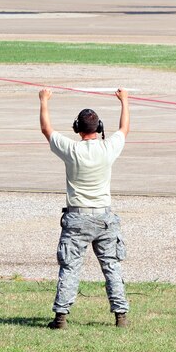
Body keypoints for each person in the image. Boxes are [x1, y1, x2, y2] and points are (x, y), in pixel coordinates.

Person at [39, 87, 131, 329]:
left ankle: (61, 317)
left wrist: (44, 101)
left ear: (76, 129)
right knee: (111, 266)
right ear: (99, 128)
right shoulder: (107, 148)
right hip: (104, 217)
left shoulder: (72, 150)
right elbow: (124, 130)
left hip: (77, 218)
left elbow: (46, 130)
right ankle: (120, 315)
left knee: (70, 267)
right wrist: (125, 101)